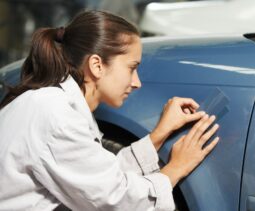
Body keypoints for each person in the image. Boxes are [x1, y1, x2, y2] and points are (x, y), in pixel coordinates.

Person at [0, 10, 219, 211]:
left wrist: (157, 136)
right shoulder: (56, 117)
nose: (137, 82)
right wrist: (177, 168)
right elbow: (115, 200)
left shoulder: (52, 103)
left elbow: (98, 177)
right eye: (132, 68)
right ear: (97, 65)